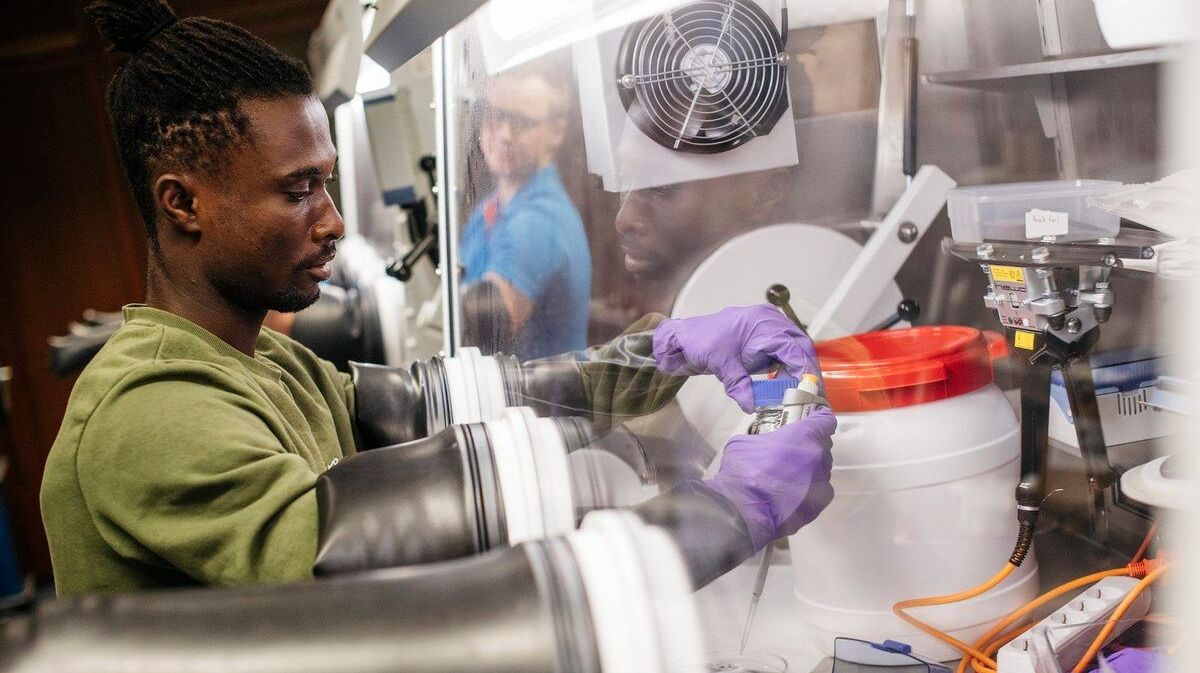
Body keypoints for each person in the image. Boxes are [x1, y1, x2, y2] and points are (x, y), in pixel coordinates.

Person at [40, 0, 835, 597]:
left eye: (326, 183)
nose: (333, 221)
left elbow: (437, 403)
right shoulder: (150, 412)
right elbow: (356, 571)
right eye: (297, 190)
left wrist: (663, 352)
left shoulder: (266, 360)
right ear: (183, 203)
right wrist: (726, 510)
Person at [458, 61, 591, 360]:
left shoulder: (540, 220)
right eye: (496, 116)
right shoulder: (489, 209)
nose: (505, 134)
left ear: (556, 131)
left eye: (521, 121)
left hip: (533, 392)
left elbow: (483, 330)